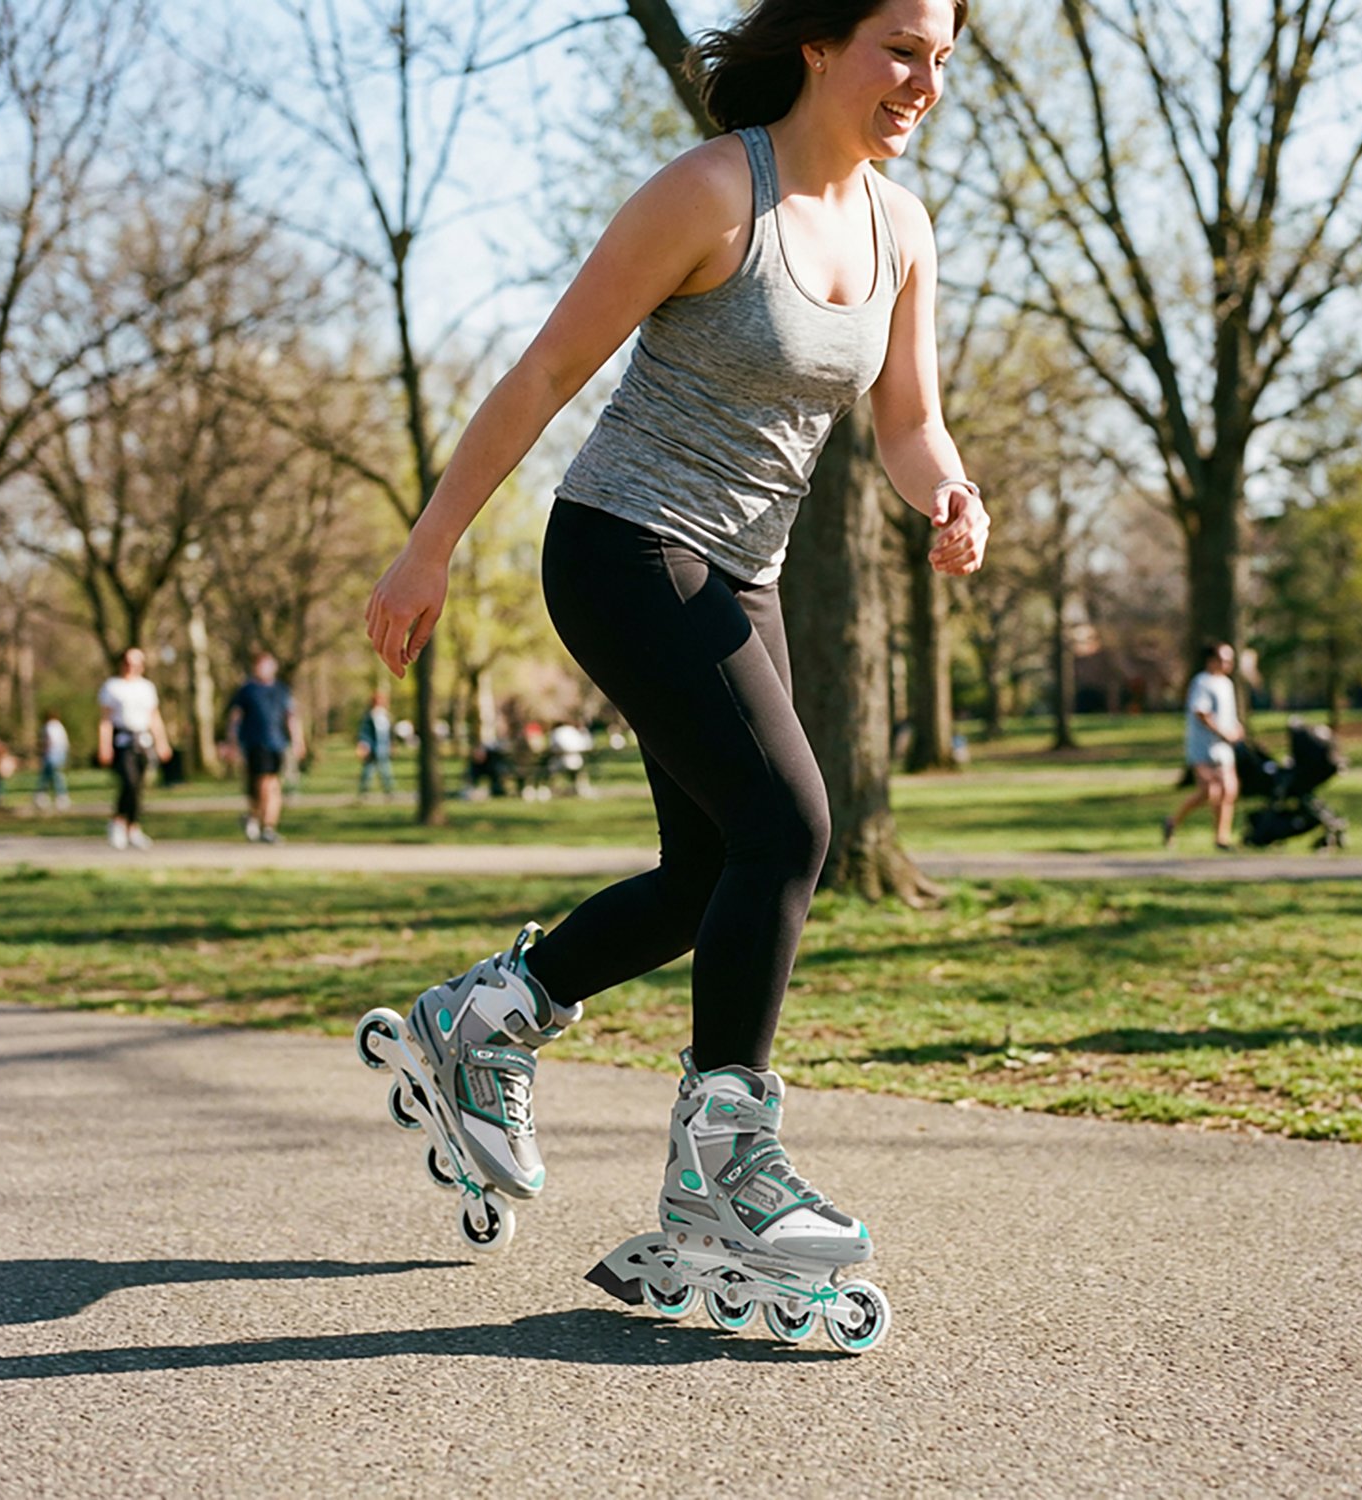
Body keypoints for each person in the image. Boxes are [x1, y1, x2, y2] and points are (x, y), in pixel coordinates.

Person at [360, 0, 986, 1340]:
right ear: (819, 40)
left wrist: (950, 494)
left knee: (715, 869)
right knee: (792, 825)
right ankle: (720, 1177)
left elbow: (910, 419)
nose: (923, 82)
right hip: (625, 546)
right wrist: (429, 549)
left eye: (941, 57)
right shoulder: (714, 192)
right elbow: (544, 376)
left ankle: (487, 1018)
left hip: (738, 579)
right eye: (900, 48)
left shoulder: (901, 227)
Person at [1163, 641, 1244, 851]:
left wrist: (1236, 729)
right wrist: (1222, 732)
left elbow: (1229, 715)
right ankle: (1172, 821)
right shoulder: (1202, 682)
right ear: (1212, 660)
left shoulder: (1227, 683)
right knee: (1209, 792)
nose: (1229, 664)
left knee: (1229, 790)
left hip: (1224, 748)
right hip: (1203, 747)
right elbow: (1201, 713)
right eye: (1224, 659)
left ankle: (1221, 839)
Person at [224, 650, 305, 844]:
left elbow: (291, 717)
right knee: (263, 785)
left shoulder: (281, 690)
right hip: (255, 743)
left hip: (277, 743)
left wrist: (298, 741)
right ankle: (256, 818)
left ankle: (266, 826)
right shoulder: (247, 690)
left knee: (274, 785)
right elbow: (235, 718)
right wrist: (231, 743)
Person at [97, 647, 173, 850]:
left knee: (138, 786)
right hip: (123, 740)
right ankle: (118, 823)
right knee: (128, 782)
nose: (133, 667)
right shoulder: (112, 687)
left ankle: (133, 827)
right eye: (130, 663)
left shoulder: (147, 688)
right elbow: (105, 720)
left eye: (138, 663)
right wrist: (104, 746)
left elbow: (154, 717)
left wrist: (162, 742)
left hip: (144, 740)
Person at [356, 690, 396, 799]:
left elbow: (390, 733)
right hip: (373, 747)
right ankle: (363, 792)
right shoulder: (369, 716)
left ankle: (389, 791)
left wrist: (391, 745)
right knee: (368, 771)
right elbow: (364, 732)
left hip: (383, 747)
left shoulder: (386, 716)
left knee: (386, 771)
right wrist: (363, 745)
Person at [33, 711, 71, 811]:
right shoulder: (59, 726)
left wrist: (44, 752)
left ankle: (53, 796)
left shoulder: (49, 726)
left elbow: (49, 740)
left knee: (53, 775)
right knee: (51, 775)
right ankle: (44, 795)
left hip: (52, 754)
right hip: (60, 753)